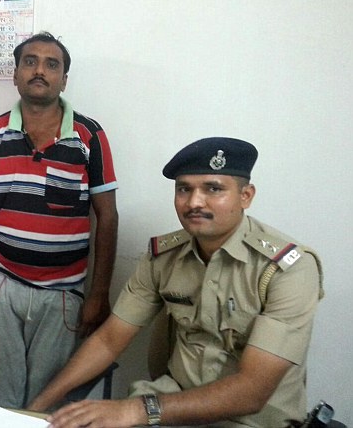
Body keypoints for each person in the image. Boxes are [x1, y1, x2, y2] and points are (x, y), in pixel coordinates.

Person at [29, 137, 323, 427]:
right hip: (172, 406)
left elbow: (252, 392)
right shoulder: (164, 257)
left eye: (213, 189)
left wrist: (135, 410)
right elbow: (109, 340)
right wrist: (36, 410)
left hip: (249, 421)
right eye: (184, 189)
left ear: (245, 196)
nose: (194, 202)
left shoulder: (287, 268)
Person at [0, 32, 119, 409]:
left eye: (51, 64)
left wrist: (99, 294)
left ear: (64, 80)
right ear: (16, 74)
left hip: (63, 295)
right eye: (30, 61)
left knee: (48, 402)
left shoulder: (89, 137)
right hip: (1, 286)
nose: (39, 70)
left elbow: (107, 218)